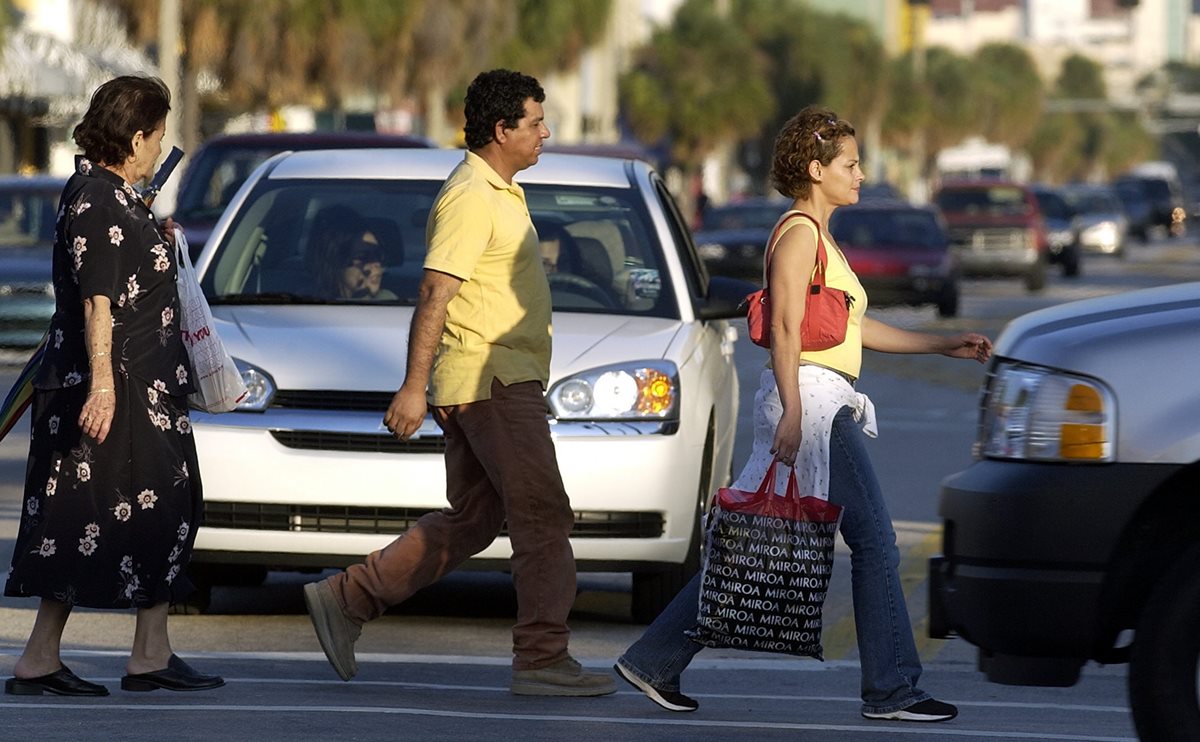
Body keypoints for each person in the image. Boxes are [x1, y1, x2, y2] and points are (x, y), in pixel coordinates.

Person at [614, 106, 992, 722]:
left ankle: (655, 659)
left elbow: (850, 328)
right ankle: (893, 689)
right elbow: (786, 327)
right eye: (850, 163)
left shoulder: (821, 237)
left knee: (756, 543)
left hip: (817, 396)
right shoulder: (797, 235)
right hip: (812, 402)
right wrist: (793, 410)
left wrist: (942, 344)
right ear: (816, 170)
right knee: (873, 540)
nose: (861, 174)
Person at [303, 69, 616, 697]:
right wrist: (414, 386)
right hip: (491, 380)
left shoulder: (499, 191)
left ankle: (349, 598)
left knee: (478, 516)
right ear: (501, 130)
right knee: (543, 515)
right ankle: (542, 658)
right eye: (534, 122)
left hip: (492, 379)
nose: (544, 132)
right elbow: (434, 292)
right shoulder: (472, 195)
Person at [3, 75, 223, 696]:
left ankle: (150, 654)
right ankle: (39, 659)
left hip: (145, 394)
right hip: (113, 394)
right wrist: (102, 387)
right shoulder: (99, 201)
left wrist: (158, 238)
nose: (160, 148)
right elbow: (99, 303)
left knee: (166, 516)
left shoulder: (115, 197)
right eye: (156, 137)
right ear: (134, 138)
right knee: (74, 521)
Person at [308, 205, 398, 300]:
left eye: (378, 254)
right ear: (336, 260)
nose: (375, 263)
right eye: (363, 256)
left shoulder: (390, 303)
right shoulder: (302, 305)